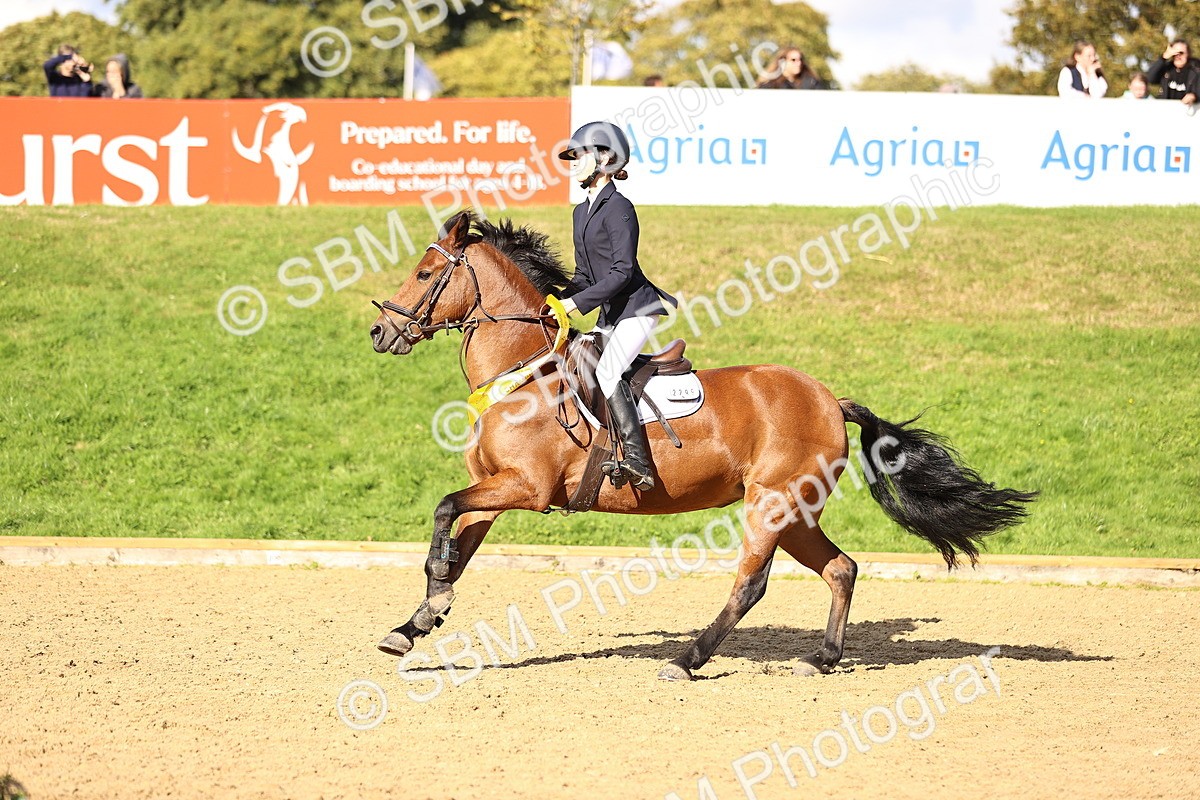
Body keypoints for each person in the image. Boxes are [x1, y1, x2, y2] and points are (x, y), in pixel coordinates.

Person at [556, 121, 678, 491]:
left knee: (608, 373)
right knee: (579, 365)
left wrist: (575, 304)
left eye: (580, 155)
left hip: (637, 310)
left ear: (606, 158)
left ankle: (639, 462)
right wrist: (556, 300)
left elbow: (622, 272)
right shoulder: (580, 212)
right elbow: (584, 274)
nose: (573, 162)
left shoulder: (620, 207)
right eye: (572, 156)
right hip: (610, 315)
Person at [1146, 40, 1199, 106]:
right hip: (1167, 109)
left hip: (1189, 110)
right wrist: (1163, 58)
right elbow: (1151, 79)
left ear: (1188, 54)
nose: (1178, 56)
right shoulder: (1167, 69)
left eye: (1181, 53)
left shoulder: (1196, 70)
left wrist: (1194, 96)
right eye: (1175, 53)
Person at [757, 46, 827, 90]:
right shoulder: (771, 86)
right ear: (782, 62)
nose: (798, 63)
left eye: (800, 59)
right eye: (793, 60)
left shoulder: (812, 83)